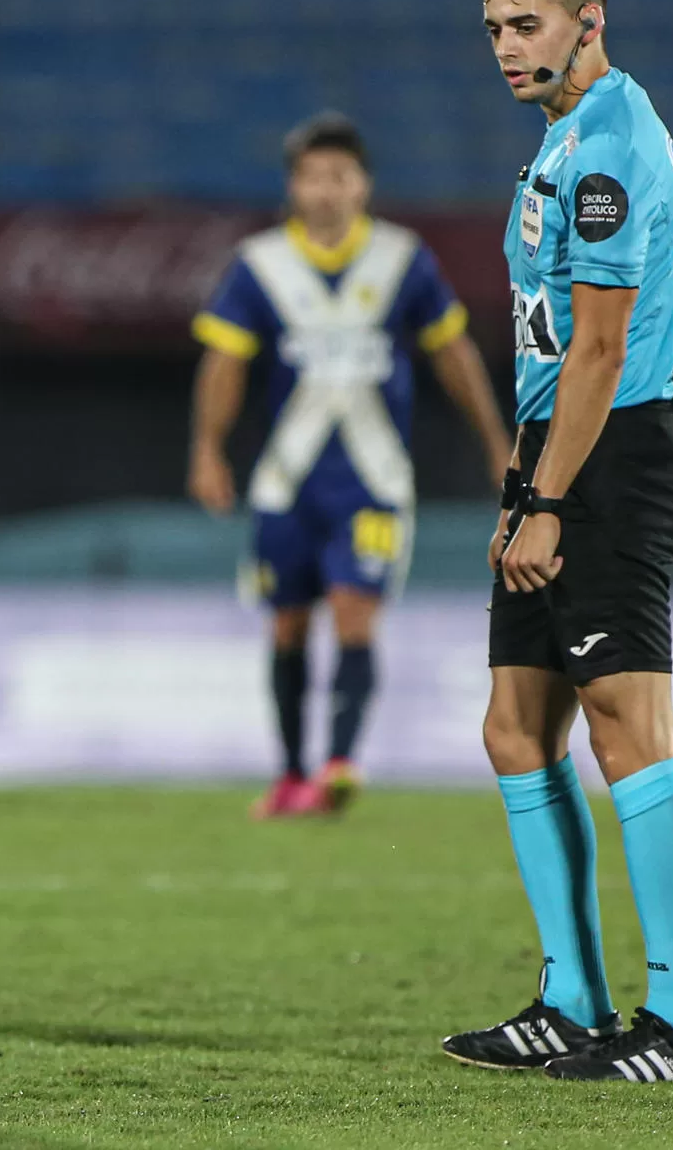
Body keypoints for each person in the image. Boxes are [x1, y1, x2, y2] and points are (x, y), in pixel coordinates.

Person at [440, 0, 673, 1082]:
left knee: (625, 726)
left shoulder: (606, 152)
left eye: (529, 24)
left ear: (587, 21)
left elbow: (601, 353)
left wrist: (550, 498)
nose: (509, 47)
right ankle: (570, 998)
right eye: (497, 28)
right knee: (517, 723)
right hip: (555, 460)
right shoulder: (565, 140)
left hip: (610, 457)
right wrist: (521, 485)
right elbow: (547, 348)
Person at [188, 113, 513, 818]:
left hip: (372, 480)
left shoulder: (402, 260)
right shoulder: (261, 264)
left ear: (363, 185)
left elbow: (451, 355)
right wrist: (208, 449)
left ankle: (339, 762)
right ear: (295, 188)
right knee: (287, 625)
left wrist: (495, 438)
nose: (327, 190)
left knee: (353, 611)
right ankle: (291, 772)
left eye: (340, 176)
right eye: (313, 177)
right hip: (287, 483)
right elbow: (224, 364)